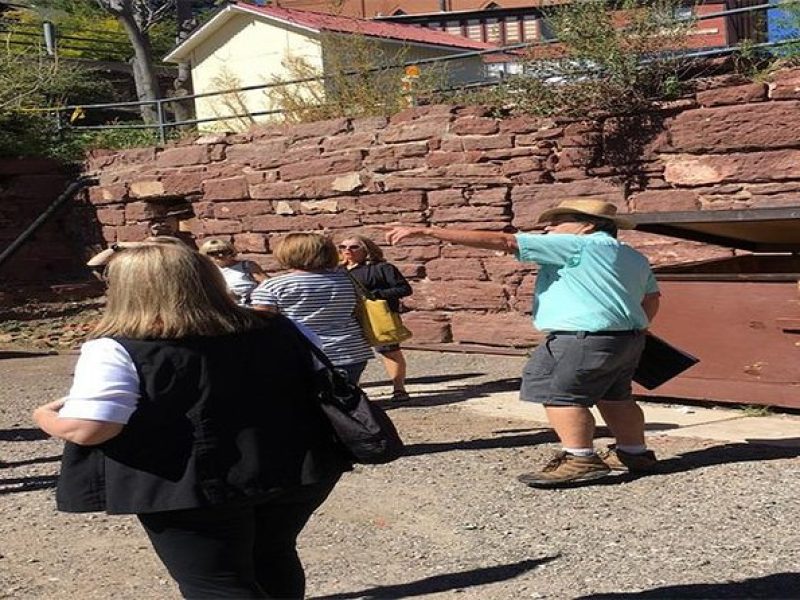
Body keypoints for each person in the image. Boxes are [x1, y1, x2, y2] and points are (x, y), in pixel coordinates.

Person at [32, 237, 350, 598]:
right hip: (296, 466)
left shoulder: (116, 348)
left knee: (215, 581)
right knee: (272, 554)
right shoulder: (280, 327)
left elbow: (91, 429)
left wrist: (44, 417)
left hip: (190, 483)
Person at [383, 199, 661, 487]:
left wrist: (428, 232)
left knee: (559, 394)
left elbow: (503, 241)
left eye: (559, 220)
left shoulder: (576, 244)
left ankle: (579, 458)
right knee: (616, 397)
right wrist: (640, 328)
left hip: (580, 338)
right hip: (627, 339)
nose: (549, 227)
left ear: (587, 225)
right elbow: (651, 298)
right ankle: (634, 453)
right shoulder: (632, 255)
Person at [250, 232, 374, 384]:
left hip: (300, 353)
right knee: (347, 400)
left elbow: (263, 324)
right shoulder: (347, 280)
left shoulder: (273, 286)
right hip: (350, 350)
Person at [338, 235, 413, 402]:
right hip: (350, 316)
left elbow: (404, 289)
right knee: (351, 354)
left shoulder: (382, 268)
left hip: (377, 316)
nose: (347, 251)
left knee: (389, 351)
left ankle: (399, 388)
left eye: (353, 247)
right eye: (342, 247)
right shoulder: (338, 271)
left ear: (366, 249)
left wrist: (378, 295)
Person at [199, 238, 267, 306]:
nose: (220, 255)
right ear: (206, 255)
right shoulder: (206, 271)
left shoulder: (247, 266)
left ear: (232, 252)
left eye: (224, 252)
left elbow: (267, 283)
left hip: (250, 306)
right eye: (213, 253)